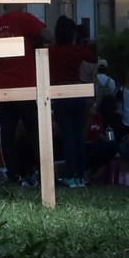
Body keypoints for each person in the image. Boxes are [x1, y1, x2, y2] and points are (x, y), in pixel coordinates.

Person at [0, 3, 52, 184]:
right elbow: (49, 36)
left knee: (7, 133)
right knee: (34, 130)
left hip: (4, 86)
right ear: (19, 3)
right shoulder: (26, 18)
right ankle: (41, 172)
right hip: (26, 85)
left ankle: (12, 174)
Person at [48, 16, 96, 188]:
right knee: (78, 137)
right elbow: (93, 58)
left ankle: (69, 176)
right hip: (77, 92)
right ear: (72, 34)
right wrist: (89, 44)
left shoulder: (51, 51)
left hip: (60, 93)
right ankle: (80, 176)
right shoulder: (77, 50)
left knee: (67, 136)